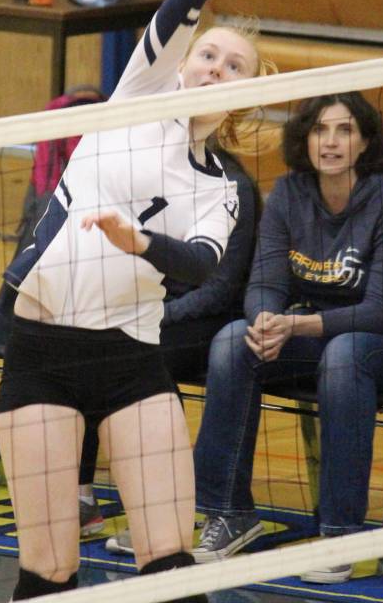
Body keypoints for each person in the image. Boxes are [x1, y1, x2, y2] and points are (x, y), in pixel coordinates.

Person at [0, 0, 305, 601]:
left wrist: (140, 244)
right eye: (208, 56)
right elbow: (185, 1)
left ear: (241, 98)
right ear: (181, 62)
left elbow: (200, 265)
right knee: (50, 573)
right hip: (42, 351)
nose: (215, 70)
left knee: (169, 569)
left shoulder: (222, 187)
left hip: (133, 358)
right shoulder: (137, 94)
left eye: (234, 69)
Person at [192, 91, 383, 583]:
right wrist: (264, 322)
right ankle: (229, 513)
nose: (331, 142)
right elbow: (265, 282)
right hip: (330, 330)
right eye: (320, 130)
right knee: (234, 342)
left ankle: (340, 535)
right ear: (305, 138)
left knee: (346, 355)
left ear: (365, 143)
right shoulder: (290, 194)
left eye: (344, 131)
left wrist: (295, 324)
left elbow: (380, 310)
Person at [73, 147, 260, 547]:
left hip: (208, 319)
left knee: (138, 355)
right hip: (156, 310)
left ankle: (164, 507)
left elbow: (218, 290)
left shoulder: (233, 187)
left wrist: (153, 316)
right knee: (89, 338)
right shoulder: (149, 174)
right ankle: (81, 497)